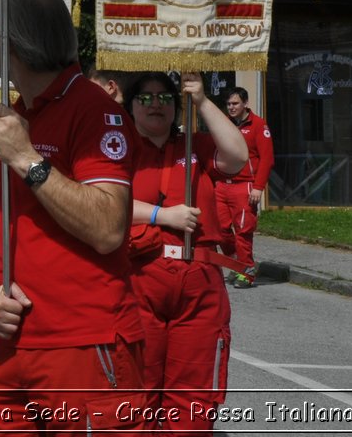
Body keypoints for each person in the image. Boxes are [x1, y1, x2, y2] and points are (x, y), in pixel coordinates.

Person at [0, 0, 149, 432]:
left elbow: (108, 228)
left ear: (14, 45)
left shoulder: (94, 110)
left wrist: (27, 159)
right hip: (8, 342)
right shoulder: (15, 117)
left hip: (84, 345)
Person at [123, 71, 248, 435]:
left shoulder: (196, 147)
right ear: (130, 106)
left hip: (198, 285)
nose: (155, 104)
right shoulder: (118, 148)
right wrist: (162, 215)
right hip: (139, 282)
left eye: (165, 97)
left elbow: (238, 156)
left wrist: (202, 101)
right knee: (136, 393)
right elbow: (100, 204)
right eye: (145, 98)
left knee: (191, 402)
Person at [211, 85, 274, 286]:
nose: (231, 107)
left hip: (244, 186)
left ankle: (246, 271)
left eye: (235, 103)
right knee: (219, 229)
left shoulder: (258, 125)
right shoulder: (225, 124)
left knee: (243, 230)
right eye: (228, 104)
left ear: (245, 103)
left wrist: (258, 187)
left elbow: (266, 159)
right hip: (222, 185)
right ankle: (236, 262)